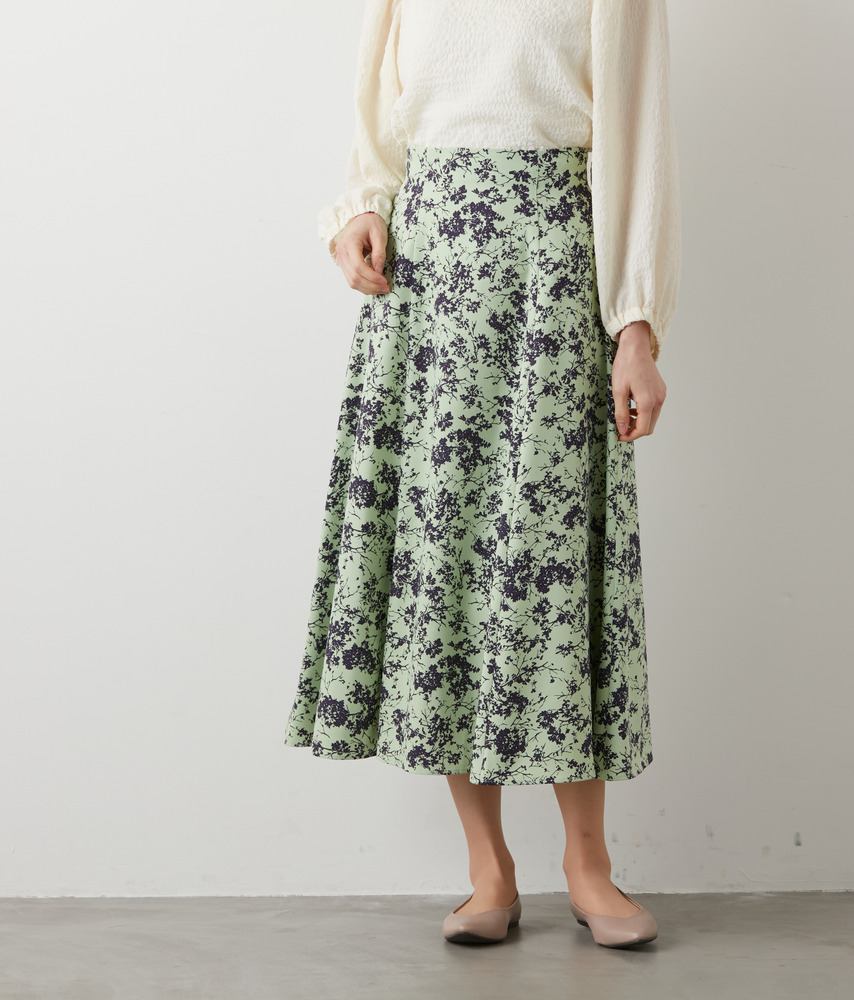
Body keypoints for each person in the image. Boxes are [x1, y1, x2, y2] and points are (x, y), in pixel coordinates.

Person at [283, 0, 681, 949]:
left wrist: (635, 325)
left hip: (555, 278)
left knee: (550, 572)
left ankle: (587, 865)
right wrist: (361, 209)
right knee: (445, 568)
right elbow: (379, 123)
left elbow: (640, 140)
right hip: (428, 288)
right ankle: (487, 868)